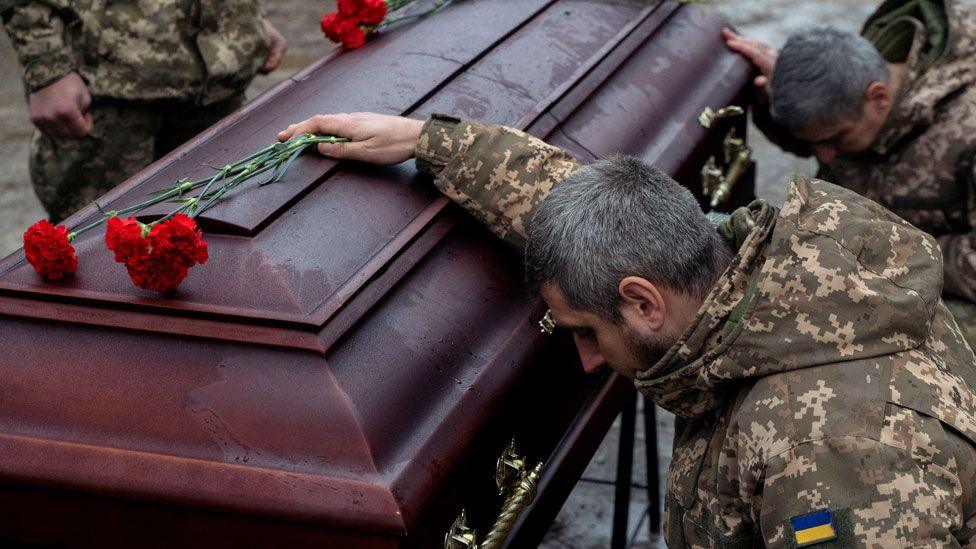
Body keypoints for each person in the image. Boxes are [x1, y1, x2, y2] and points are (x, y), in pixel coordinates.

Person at [277, 111, 976, 547]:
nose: (584, 359)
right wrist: (427, 141)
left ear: (643, 303)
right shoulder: (764, 273)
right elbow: (603, 220)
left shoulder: (835, 459)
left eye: (584, 329)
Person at [723, 0, 976, 346]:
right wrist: (784, 94)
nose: (824, 157)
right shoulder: (863, 72)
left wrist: (885, 251)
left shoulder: (967, 132)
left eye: (836, 138)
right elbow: (827, 134)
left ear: (878, 96)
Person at [1, 0, 287, 223]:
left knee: (220, 247)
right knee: (98, 262)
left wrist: (247, 19)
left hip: (219, 87)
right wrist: (46, 64)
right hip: (109, 92)